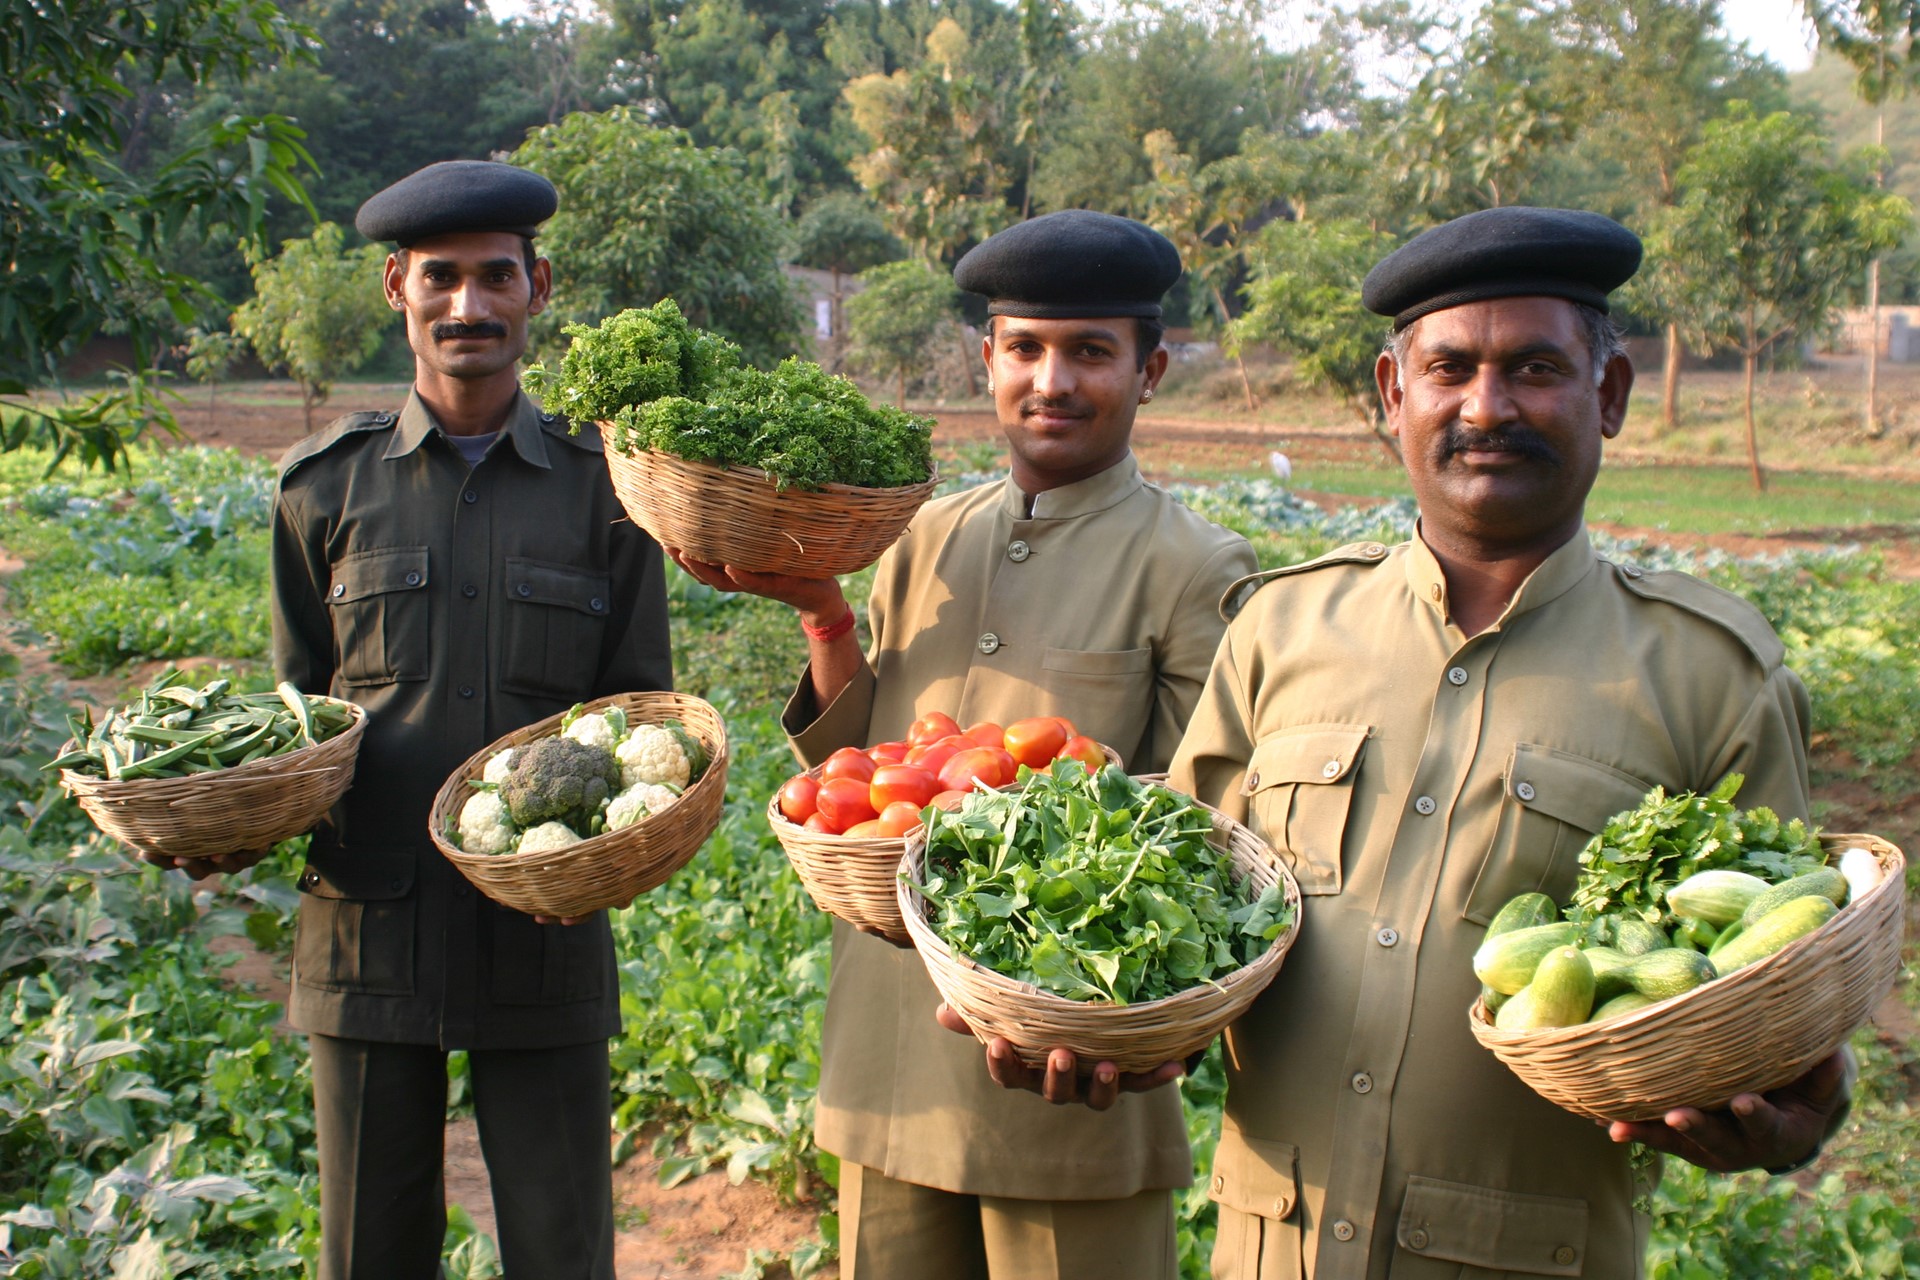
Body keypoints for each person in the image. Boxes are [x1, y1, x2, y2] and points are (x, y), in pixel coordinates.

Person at [1136, 206, 1848, 1279]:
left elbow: (1780, 994)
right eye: (1450, 367)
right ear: (1393, 393)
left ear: (1607, 396)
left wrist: (1796, 1105)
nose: (1486, 406)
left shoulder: (1711, 678)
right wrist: (1108, 1028)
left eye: (1534, 367)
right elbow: (1184, 919)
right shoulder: (1281, 631)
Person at [672, 209, 1258, 1280]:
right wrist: (825, 617)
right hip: (891, 1056)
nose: (1053, 379)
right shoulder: (922, 534)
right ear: (988, 358)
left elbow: (1202, 826)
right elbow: (861, 769)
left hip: (1064, 1072)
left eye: (1091, 351)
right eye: (1026, 347)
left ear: (1151, 368)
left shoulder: (1196, 567)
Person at [264, 160, 672, 1279]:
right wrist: (229, 825)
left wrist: (606, 860)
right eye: (441, 277)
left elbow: (648, 711)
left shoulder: (613, 491)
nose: (469, 306)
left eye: (497, 276)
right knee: (370, 1250)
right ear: (397, 285)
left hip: (541, 937)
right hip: (366, 929)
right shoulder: (324, 489)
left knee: (562, 1249)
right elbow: (292, 720)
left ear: (538, 287)